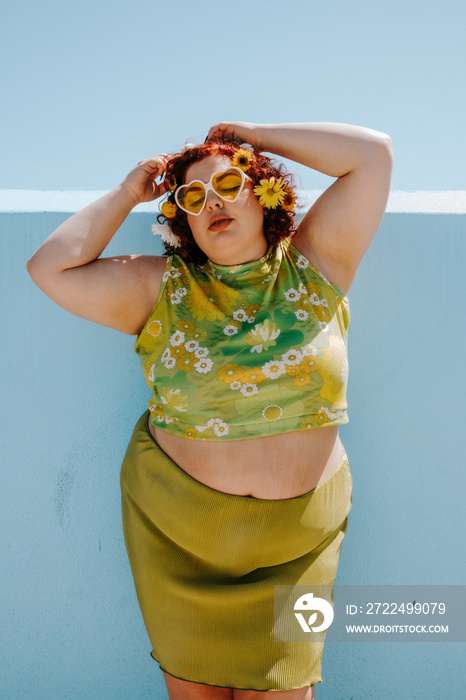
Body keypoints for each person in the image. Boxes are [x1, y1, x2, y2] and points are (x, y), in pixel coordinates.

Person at [26, 121, 393, 700]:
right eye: (193, 197)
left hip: (298, 551)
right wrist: (128, 193)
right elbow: (51, 268)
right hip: (178, 542)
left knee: (288, 690)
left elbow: (372, 155)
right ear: (183, 222)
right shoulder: (158, 289)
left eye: (229, 183)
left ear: (264, 192)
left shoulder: (318, 263)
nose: (213, 201)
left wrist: (252, 136)